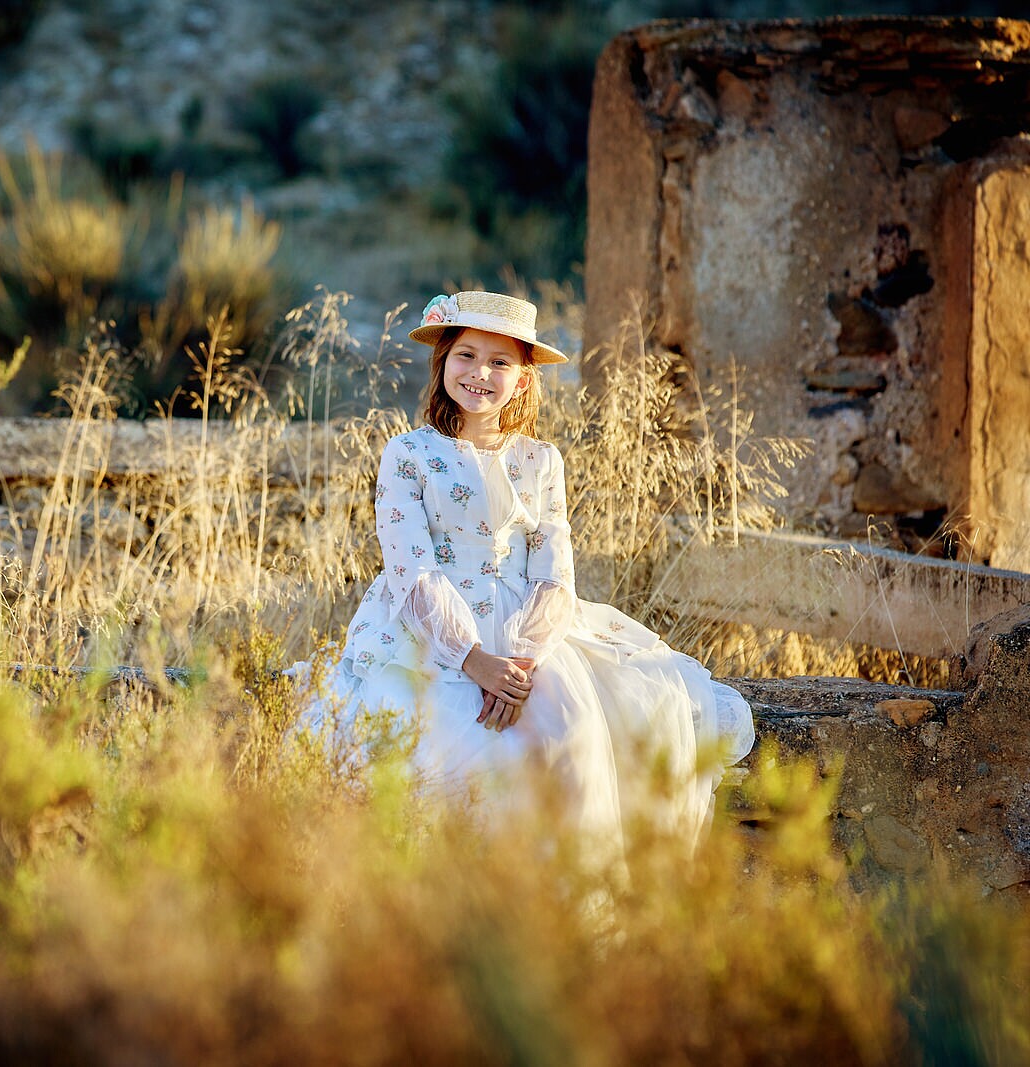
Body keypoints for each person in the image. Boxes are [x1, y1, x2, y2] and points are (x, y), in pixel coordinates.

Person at [308, 290, 755, 851]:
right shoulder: (409, 454)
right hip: (427, 627)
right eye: (467, 355)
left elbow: (553, 571)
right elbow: (412, 570)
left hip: (527, 630)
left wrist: (518, 666)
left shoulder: (540, 460)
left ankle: (562, 907)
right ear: (442, 359)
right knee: (447, 741)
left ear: (522, 378)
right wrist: (474, 660)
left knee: (571, 727)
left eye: (501, 362)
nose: (480, 373)